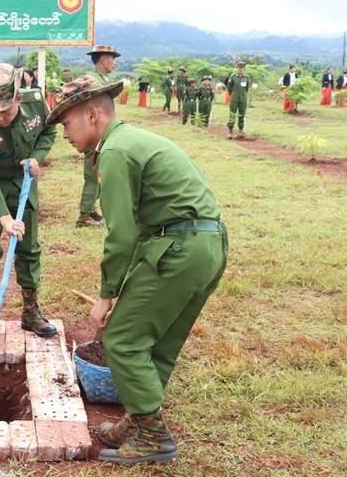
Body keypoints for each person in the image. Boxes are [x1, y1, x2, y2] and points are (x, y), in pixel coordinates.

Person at [46, 75, 227, 465]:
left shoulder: (114, 151)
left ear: (92, 115)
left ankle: (153, 438)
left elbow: (122, 234)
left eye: (66, 123)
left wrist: (106, 296)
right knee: (157, 342)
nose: (64, 134)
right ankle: (140, 421)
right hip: (206, 246)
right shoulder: (134, 140)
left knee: (123, 340)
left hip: (178, 248)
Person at [0, 63, 58, 343]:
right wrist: (4, 218)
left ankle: (30, 312)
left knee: (28, 247)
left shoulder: (36, 104)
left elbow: (48, 132)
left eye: (4, 111)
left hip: (22, 183)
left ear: (18, 97)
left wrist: (36, 158)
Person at [77, 44, 120, 228]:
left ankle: (90, 208)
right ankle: (84, 216)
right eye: (112, 59)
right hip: (93, 134)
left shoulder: (101, 79)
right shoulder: (92, 80)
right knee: (92, 175)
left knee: (98, 173)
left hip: (100, 133)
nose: (114, 63)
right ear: (103, 59)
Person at [225, 61, 251, 139]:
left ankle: (241, 130)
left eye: (242, 67)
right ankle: (230, 131)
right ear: (237, 68)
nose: (240, 69)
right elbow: (229, 88)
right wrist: (233, 94)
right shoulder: (233, 77)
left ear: (244, 68)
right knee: (232, 114)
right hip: (234, 99)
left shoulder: (246, 78)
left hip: (243, 99)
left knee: (242, 114)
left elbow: (246, 89)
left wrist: (242, 95)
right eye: (239, 67)